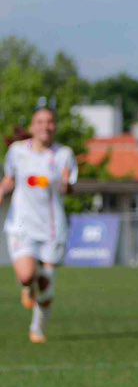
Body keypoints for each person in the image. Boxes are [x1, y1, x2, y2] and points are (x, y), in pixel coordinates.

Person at [3, 106, 78, 344]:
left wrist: (66, 184)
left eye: (50, 121)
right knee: (26, 276)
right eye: (40, 121)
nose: (45, 126)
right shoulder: (17, 152)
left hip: (52, 228)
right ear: (32, 126)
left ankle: (37, 328)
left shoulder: (64, 154)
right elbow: (9, 179)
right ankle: (28, 287)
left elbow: (69, 188)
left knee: (46, 285)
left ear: (55, 125)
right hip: (22, 225)